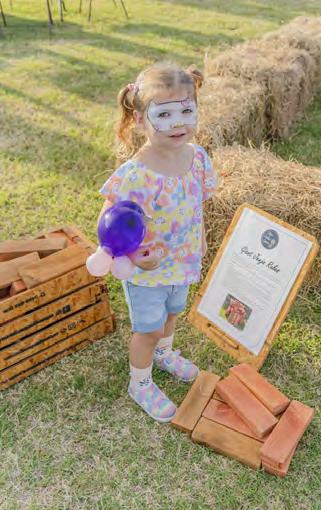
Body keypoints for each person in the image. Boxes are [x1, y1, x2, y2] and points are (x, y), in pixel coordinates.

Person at [98, 62, 217, 423]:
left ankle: (164, 353)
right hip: (147, 272)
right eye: (164, 114)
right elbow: (109, 223)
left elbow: (197, 204)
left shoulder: (197, 158)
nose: (178, 123)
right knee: (148, 329)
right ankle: (140, 383)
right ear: (139, 120)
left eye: (186, 111)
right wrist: (134, 253)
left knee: (172, 312)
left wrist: (201, 239)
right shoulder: (135, 174)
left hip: (183, 260)